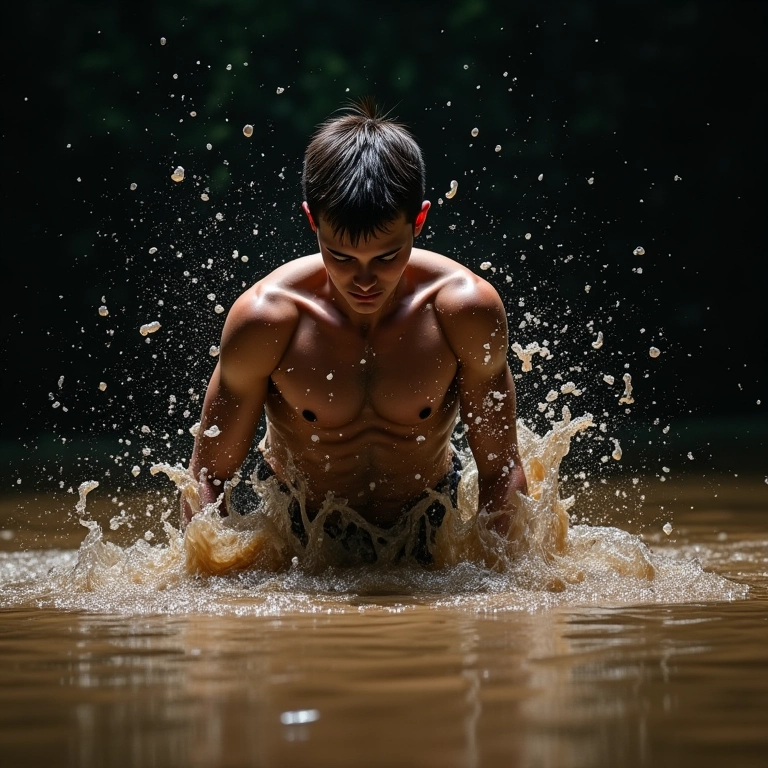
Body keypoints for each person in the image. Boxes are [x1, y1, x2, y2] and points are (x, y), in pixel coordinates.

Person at [183, 99, 528, 566]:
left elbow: (500, 471)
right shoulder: (266, 320)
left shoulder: (464, 311)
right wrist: (209, 595)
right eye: (342, 257)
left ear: (418, 221)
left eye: (386, 257)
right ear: (312, 221)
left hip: (425, 535)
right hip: (302, 546)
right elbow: (207, 477)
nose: (364, 281)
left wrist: (506, 589)